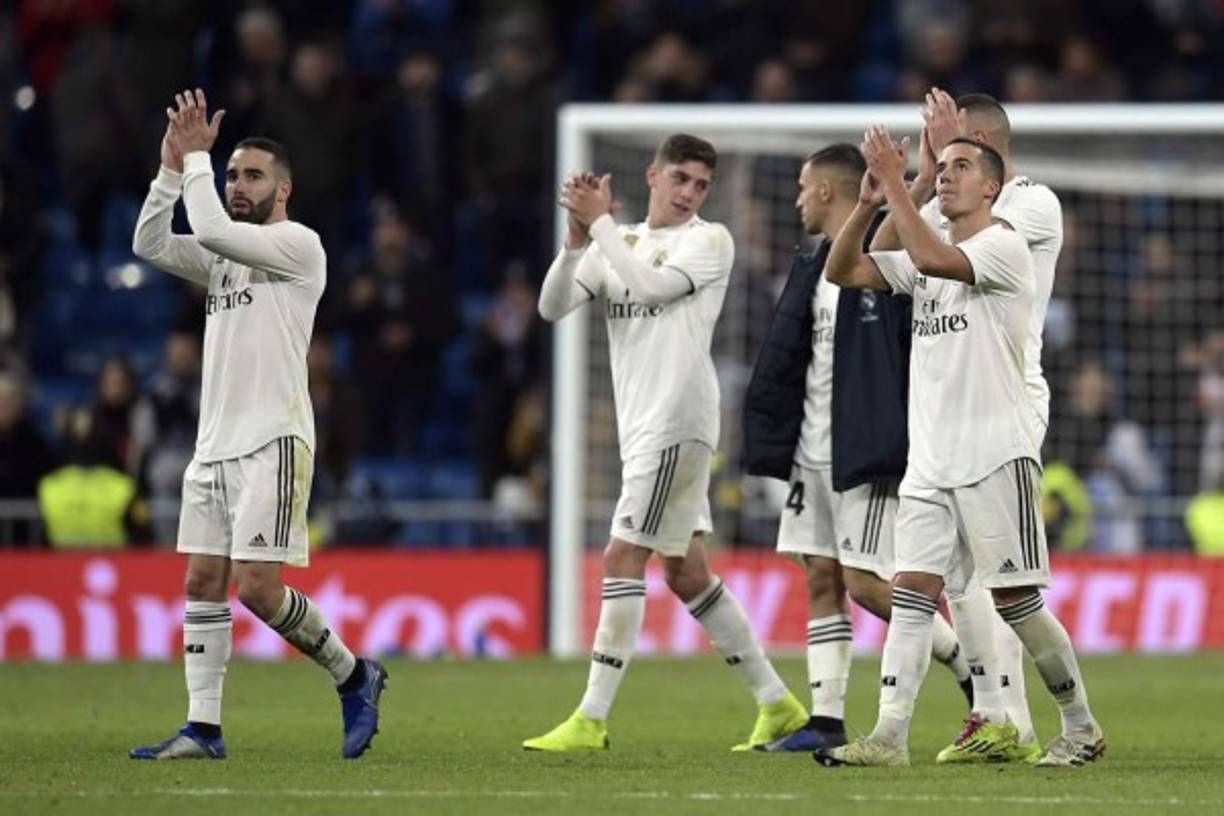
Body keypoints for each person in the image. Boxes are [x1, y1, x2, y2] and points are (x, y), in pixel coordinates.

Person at [815, 130, 1104, 768]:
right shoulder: (930, 249)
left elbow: (936, 260)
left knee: (1017, 603)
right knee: (913, 592)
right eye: (939, 166)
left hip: (995, 454)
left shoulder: (1002, 245)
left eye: (960, 167)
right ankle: (889, 736)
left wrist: (898, 187)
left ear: (992, 187)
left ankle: (1080, 726)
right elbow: (843, 270)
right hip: (931, 459)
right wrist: (869, 203)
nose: (943, 175)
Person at [524, 134, 806, 752]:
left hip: (678, 420)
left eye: (701, 185)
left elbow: (650, 290)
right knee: (684, 570)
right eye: (679, 178)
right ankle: (777, 703)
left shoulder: (710, 241)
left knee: (622, 556)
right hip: (643, 424)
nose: (689, 193)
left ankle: (591, 718)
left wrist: (600, 226)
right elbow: (551, 307)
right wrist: (577, 243)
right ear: (652, 175)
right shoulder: (616, 242)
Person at [129, 89, 385, 760]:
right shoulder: (223, 259)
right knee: (202, 583)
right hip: (212, 446)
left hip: (273, 440)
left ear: (284, 190)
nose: (238, 185)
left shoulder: (298, 246)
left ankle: (355, 674)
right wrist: (167, 169)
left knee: (258, 589)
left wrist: (198, 162)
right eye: (234, 174)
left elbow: (211, 226)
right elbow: (149, 240)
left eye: (252, 176)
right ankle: (203, 729)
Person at [743, 144, 972, 753]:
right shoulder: (811, 262)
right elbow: (791, 361)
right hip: (809, 451)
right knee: (819, 577)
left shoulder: (883, 252)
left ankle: (970, 668)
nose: (795, 199)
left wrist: (913, 179)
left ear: (824, 191)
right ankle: (826, 719)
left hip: (862, 447)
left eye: (801, 186)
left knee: (867, 583)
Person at [872, 89, 1061, 761]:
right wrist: (916, 181)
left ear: (982, 144)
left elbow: (947, 242)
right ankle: (994, 713)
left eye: (954, 155)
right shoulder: (949, 200)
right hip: (947, 396)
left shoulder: (1031, 203)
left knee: (994, 576)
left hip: (1005, 393)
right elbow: (897, 245)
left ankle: (1022, 718)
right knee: (951, 572)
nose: (945, 172)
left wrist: (920, 181)